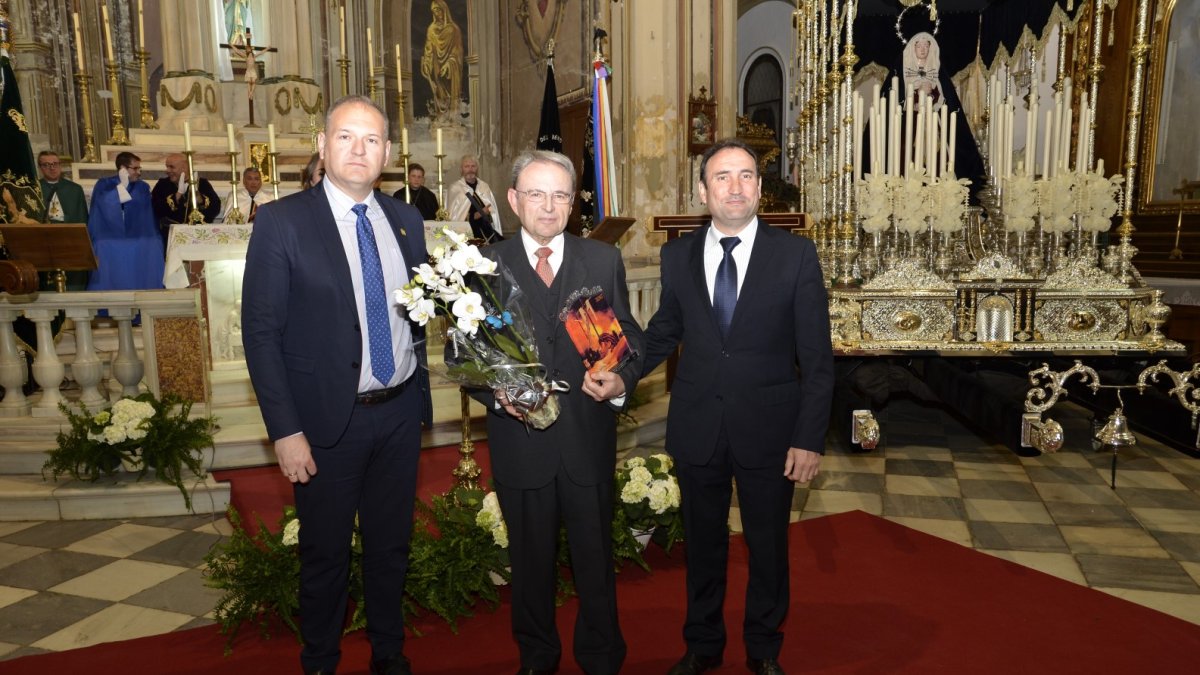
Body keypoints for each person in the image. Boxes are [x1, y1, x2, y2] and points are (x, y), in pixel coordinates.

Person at [242, 94, 431, 675]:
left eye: (372, 140)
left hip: (398, 415)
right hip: (325, 423)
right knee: (325, 556)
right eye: (346, 137)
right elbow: (261, 334)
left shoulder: (406, 220)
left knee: (390, 549)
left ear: (389, 154)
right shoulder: (282, 221)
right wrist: (286, 431)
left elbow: (417, 315)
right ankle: (320, 660)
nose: (359, 150)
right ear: (322, 147)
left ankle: (389, 654)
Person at [641, 139, 833, 675]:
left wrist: (809, 437)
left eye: (746, 176)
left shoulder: (795, 255)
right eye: (723, 177)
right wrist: (621, 372)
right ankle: (702, 645)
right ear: (703, 191)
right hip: (699, 424)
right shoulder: (676, 254)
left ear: (759, 188)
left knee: (768, 549)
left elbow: (816, 359)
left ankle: (763, 648)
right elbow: (664, 333)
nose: (736, 186)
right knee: (702, 548)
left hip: (771, 430)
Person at [471, 149, 642, 675]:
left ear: (573, 201)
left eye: (560, 195)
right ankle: (537, 658)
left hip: (587, 441)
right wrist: (492, 391)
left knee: (595, 563)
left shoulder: (601, 260)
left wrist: (619, 380)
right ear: (514, 199)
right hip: (521, 443)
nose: (549, 206)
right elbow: (467, 352)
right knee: (530, 565)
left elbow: (629, 339)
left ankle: (602, 657)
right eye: (537, 194)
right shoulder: (484, 265)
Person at [86, 151, 164, 290]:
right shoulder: (103, 184)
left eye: (140, 168)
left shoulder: (142, 186)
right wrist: (121, 187)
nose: (139, 172)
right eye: (135, 168)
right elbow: (105, 206)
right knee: (102, 246)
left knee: (154, 243)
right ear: (123, 168)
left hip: (139, 234)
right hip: (108, 235)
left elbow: (143, 212)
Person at [38, 150, 89, 290]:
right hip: (44, 244)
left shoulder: (74, 189)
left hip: (70, 243)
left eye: (55, 164)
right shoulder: (35, 189)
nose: (52, 168)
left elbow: (82, 217)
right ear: (40, 168)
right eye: (47, 165)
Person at [151, 152, 221, 247]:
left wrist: (200, 199)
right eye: (167, 166)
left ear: (184, 168)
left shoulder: (202, 184)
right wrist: (177, 196)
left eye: (171, 167)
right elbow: (156, 209)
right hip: (169, 237)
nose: (167, 170)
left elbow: (215, 209)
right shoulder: (163, 184)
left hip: (199, 237)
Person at [421, 0, 463, 118]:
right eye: (433, 11)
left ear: (444, 10)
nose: (436, 13)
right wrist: (427, 64)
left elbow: (457, 51)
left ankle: (452, 118)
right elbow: (428, 49)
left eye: (438, 10)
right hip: (436, 68)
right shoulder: (431, 29)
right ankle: (441, 118)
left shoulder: (453, 30)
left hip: (451, 69)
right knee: (439, 93)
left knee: (451, 93)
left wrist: (449, 64)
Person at [446, 154, 503, 241]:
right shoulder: (455, 188)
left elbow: (493, 213)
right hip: (466, 236)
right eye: (467, 166)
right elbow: (453, 216)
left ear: (477, 168)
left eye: (473, 166)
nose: (470, 169)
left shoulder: (484, 186)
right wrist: (476, 215)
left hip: (486, 233)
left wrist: (487, 213)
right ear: (461, 169)